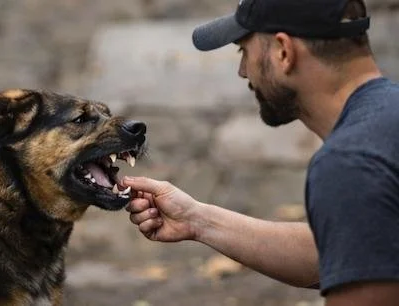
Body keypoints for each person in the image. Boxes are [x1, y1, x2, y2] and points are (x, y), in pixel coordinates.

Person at [124, 0, 399, 304]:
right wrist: (196, 219)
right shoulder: (386, 125)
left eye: (244, 50)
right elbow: (351, 250)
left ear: (284, 52)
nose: (243, 72)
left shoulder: (350, 163)